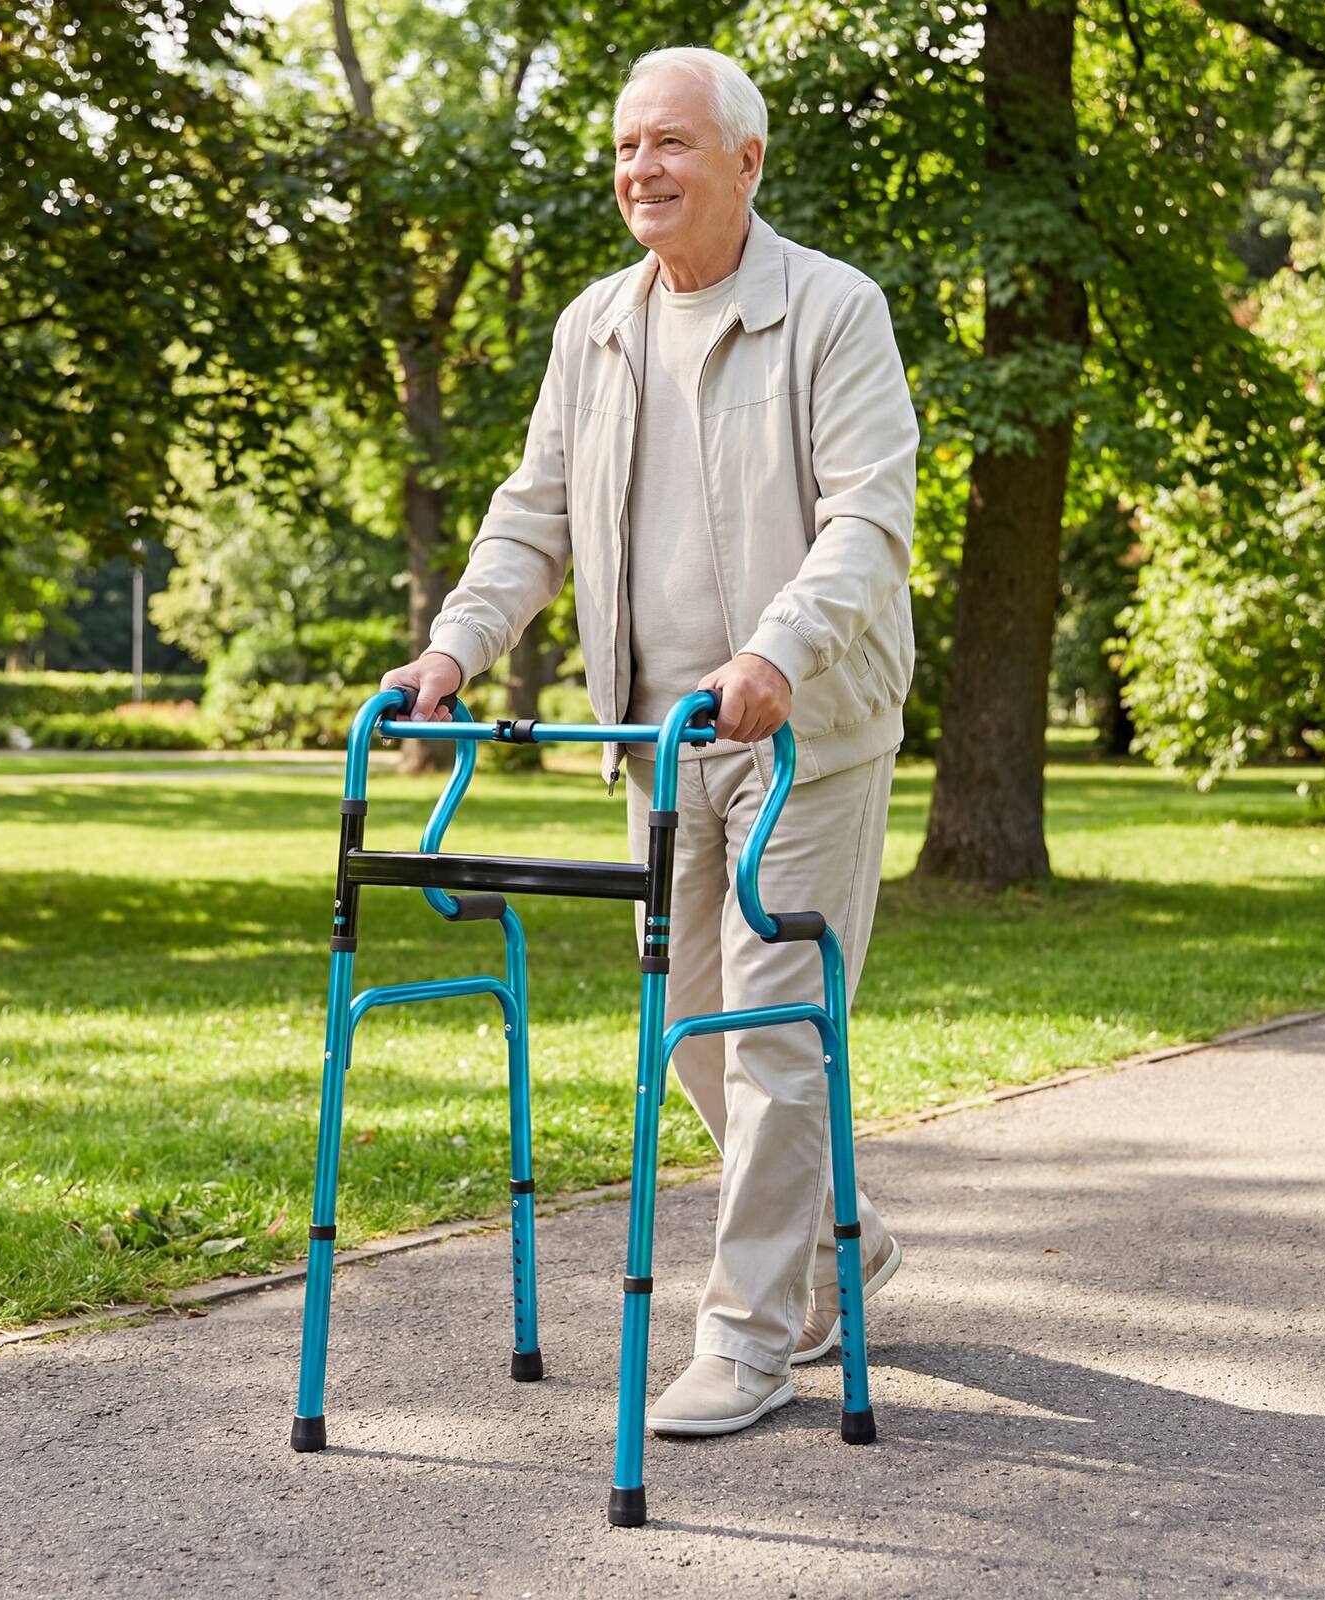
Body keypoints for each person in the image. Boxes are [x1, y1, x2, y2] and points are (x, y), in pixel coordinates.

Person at [380, 45, 919, 1437]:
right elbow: (533, 516)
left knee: (774, 1031)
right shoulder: (595, 328)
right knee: (691, 1030)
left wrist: (778, 653)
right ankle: (836, 1235)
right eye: (626, 148)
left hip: (807, 726)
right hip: (657, 738)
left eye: (671, 144)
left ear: (746, 161)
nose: (641, 171)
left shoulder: (832, 312)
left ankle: (746, 1336)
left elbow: (867, 522)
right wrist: (454, 648)